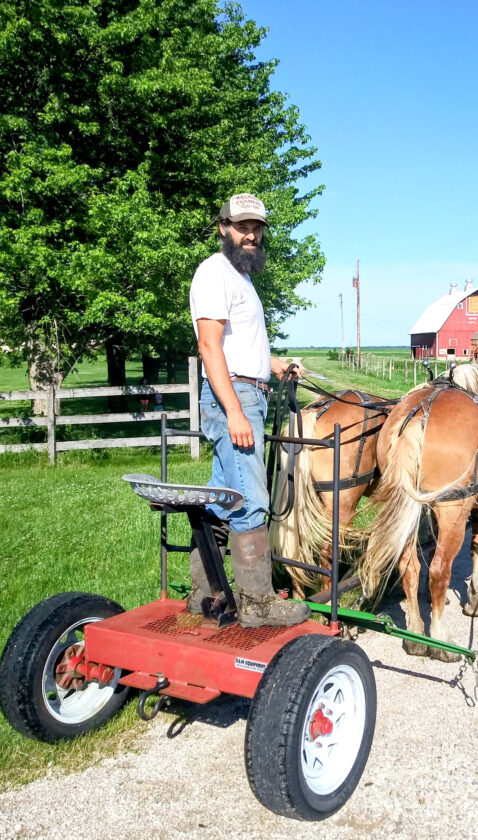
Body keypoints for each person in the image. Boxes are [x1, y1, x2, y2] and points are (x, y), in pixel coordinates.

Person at [187, 193, 309, 627]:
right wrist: (235, 411)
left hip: (246, 390)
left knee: (223, 500)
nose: (251, 235)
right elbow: (209, 347)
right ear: (223, 228)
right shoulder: (214, 273)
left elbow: (239, 344)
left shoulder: (240, 278)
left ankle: (204, 593)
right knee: (251, 500)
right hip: (234, 397)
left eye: (256, 228)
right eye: (242, 227)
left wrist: (273, 365)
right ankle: (258, 604)